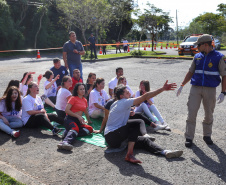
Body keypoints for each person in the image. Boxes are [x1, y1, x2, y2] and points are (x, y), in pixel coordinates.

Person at [104, 83, 183, 164]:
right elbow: (144, 97)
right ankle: (129, 155)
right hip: (112, 136)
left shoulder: (116, 103)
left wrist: (128, 113)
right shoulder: (124, 102)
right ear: (121, 96)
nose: (130, 94)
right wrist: (162, 89)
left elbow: (117, 117)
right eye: (127, 93)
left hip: (114, 137)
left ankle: (165, 152)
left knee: (144, 140)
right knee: (137, 123)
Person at [176, 34, 226, 147]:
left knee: (209, 113)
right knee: (191, 113)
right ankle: (189, 137)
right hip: (196, 88)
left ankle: (207, 135)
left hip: (210, 89)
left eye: (198, 45)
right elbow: (190, 72)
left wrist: (223, 92)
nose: (197, 47)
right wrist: (182, 84)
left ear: (205, 45)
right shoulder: (197, 56)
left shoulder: (219, 57)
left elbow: (224, 75)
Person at [57, 83, 93, 151]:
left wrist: (89, 120)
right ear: (77, 91)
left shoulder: (84, 100)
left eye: (83, 89)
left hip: (78, 121)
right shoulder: (73, 98)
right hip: (70, 119)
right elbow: (66, 110)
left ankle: (68, 133)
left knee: (90, 129)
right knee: (75, 128)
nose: (83, 90)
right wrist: (78, 116)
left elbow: (85, 111)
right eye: (80, 89)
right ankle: (65, 142)